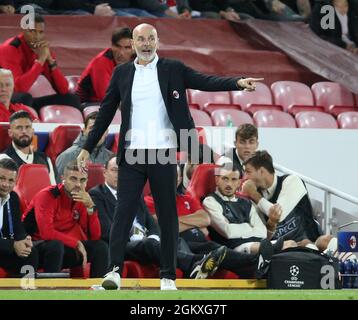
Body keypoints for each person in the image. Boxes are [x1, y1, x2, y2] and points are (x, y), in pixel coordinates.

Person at [76, 22, 264, 290]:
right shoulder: (121, 73)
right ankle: (114, 273)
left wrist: (237, 82)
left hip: (163, 154)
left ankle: (168, 276)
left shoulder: (172, 69)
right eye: (140, 39)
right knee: (123, 213)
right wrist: (86, 146)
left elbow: (205, 80)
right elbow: (105, 112)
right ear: (133, 43)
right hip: (131, 155)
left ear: (157, 41)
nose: (146, 43)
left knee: (167, 216)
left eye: (150, 38)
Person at [89, 156, 227, 285]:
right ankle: (194, 263)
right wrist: (139, 238)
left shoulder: (134, 193)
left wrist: (154, 236)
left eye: (122, 171)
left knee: (174, 240)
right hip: (123, 244)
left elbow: (151, 222)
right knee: (149, 244)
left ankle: (194, 269)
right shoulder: (97, 194)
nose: (119, 175)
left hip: (146, 240)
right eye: (114, 170)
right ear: (104, 172)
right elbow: (106, 230)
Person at [146, 164, 271, 278]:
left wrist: (175, 223)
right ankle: (256, 261)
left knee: (219, 251)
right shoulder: (149, 201)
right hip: (177, 241)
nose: (172, 180)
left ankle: (258, 264)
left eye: (175, 176)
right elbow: (160, 226)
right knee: (208, 252)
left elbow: (205, 220)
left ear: (179, 179)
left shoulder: (188, 199)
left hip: (200, 240)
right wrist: (192, 224)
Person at [22, 161, 109, 278]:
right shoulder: (47, 196)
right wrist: (76, 243)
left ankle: (98, 291)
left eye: (82, 180)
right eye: (73, 179)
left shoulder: (82, 199)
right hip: (35, 248)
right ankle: (51, 291)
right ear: (63, 178)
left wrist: (91, 209)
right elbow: (46, 233)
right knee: (55, 246)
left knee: (101, 247)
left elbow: (95, 237)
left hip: (64, 248)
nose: (78, 184)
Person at [202, 164, 295, 254]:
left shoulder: (246, 203)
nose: (229, 184)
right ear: (217, 180)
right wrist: (249, 226)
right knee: (270, 248)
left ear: (239, 183)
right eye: (225, 179)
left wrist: (237, 228)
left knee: (291, 244)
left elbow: (262, 232)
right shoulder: (210, 201)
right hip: (234, 248)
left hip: (259, 244)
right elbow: (227, 231)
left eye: (234, 180)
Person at [0, 13, 81, 112]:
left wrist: (51, 61)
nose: (37, 37)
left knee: (72, 99)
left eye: (40, 32)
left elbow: (63, 89)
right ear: (24, 30)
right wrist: (40, 61)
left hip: (21, 98)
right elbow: (18, 88)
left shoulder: (42, 49)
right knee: (24, 98)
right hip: (4, 95)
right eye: (32, 31)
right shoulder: (10, 49)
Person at [241, 150, 322, 243]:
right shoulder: (254, 197)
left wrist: (253, 194)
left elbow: (279, 214)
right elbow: (261, 233)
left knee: (329, 241)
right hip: (282, 251)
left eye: (248, 172)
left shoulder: (292, 181)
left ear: (261, 171)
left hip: (312, 244)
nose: (245, 177)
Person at [76, 27, 135, 104]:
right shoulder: (101, 62)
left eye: (127, 48)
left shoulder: (138, 60)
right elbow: (107, 99)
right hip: (90, 104)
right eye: (117, 46)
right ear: (112, 46)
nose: (121, 53)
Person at [0, 158, 38, 275]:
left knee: (30, 254)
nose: (5, 184)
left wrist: (24, 239)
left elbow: (18, 227)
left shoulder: (13, 197)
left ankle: (26, 291)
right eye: (1, 178)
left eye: (11, 180)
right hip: (5, 246)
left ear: (16, 182)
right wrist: (13, 245)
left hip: (3, 248)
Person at [0, 111, 58, 185]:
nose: (24, 131)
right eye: (19, 128)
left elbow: (53, 189)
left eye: (27, 127)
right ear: (10, 132)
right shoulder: (3, 159)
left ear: (33, 131)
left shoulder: (45, 159)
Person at [56, 111, 113, 177]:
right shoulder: (67, 156)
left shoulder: (111, 159)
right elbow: (59, 185)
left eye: (101, 128)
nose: (96, 133)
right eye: (92, 128)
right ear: (84, 130)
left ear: (107, 132)